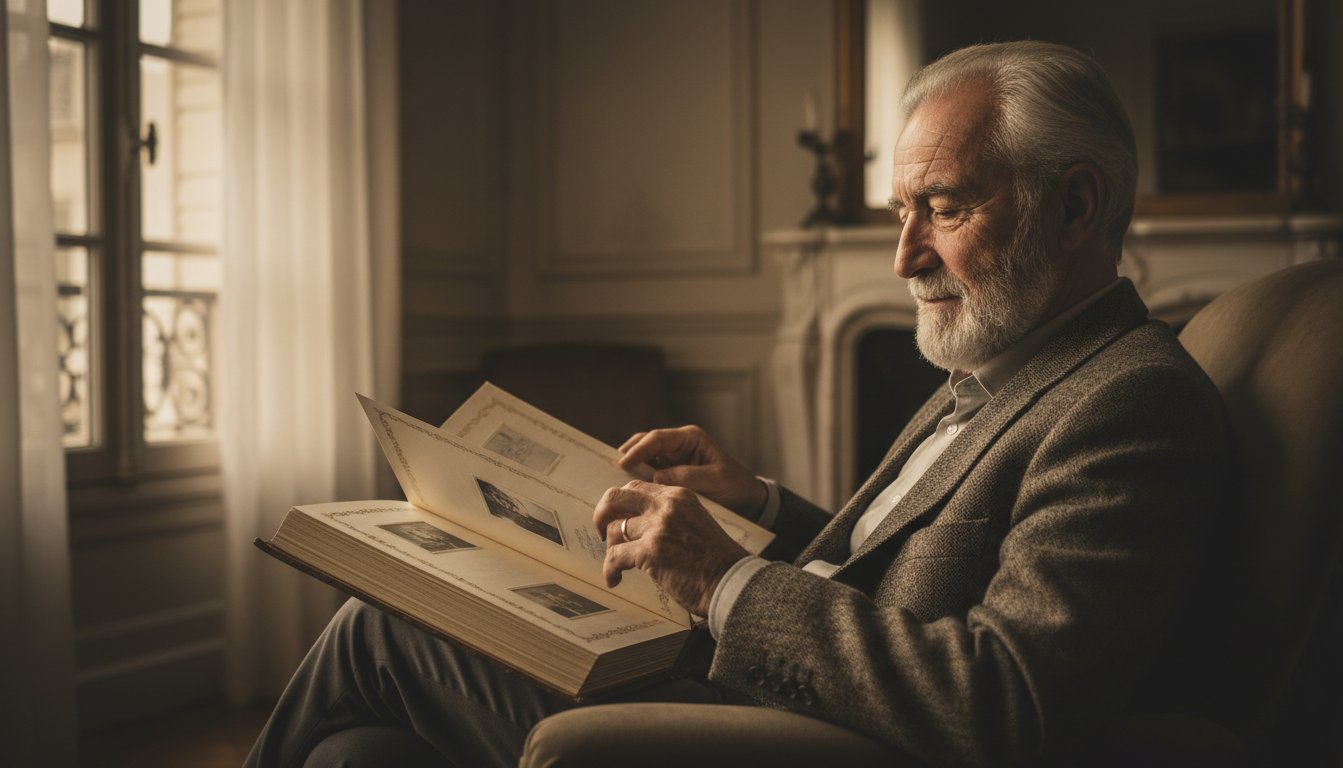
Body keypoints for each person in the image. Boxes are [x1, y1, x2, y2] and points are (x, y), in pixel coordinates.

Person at [246, 40, 1229, 767]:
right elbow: (888, 573)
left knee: (382, 629)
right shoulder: (998, 367)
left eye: (947, 207)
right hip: (768, 682)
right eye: (902, 212)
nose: (904, 258)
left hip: (794, 737)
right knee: (356, 759)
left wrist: (723, 581)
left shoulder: (1130, 401)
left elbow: (1006, 702)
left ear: (1076, 205)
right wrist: (755, 508)